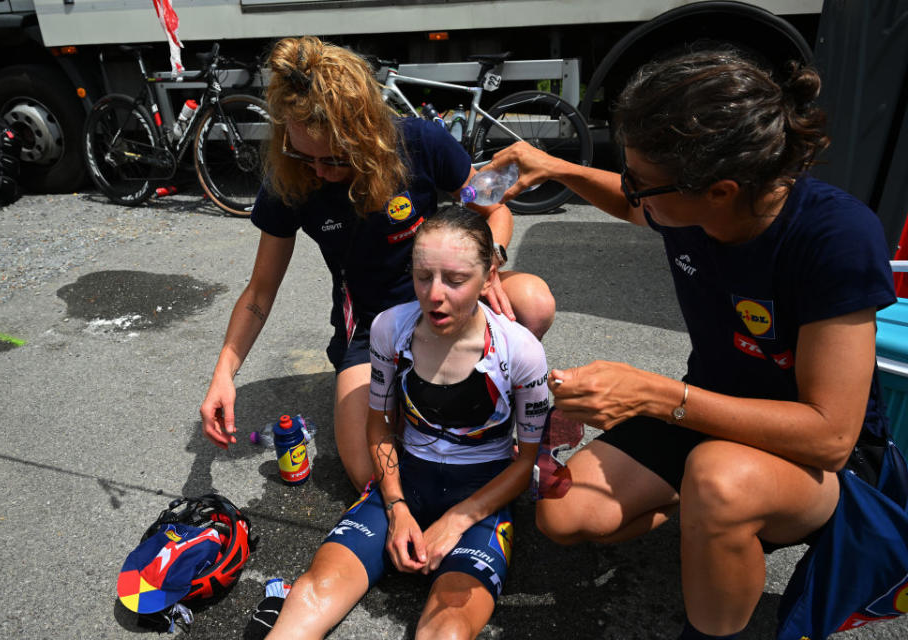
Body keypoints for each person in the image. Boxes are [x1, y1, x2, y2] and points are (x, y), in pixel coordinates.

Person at [486, 49, 897, 640]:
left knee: (716, 478)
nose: (633, 193)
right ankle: (709, 521)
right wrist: (551, 167)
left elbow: (831, 436)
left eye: (642, 182)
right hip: (705, 412)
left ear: (721, 190)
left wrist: (657, 396)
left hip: (819, 464)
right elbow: (630, 203)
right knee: (565, 514)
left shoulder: (834, 235)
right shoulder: (687, 208)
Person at [199, 37, 555, 490]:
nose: (318, 172)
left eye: (331, 158)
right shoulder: (289, 181)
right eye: (300, 155)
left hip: (445, 302)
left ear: (364, 134)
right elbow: (259, 293)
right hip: (370, 326)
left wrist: (493, 266)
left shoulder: (421, 143)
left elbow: (496, 208)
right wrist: (223, 373)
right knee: (368, 477)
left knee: (534, 302)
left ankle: (500, 396)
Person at [245, 205, 550, 640]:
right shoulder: (391, 327)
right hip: (406, 480)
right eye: (422, 276)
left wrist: (459, 519)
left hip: (482, 493)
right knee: (312, 594)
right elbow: (380, 427)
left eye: (456, 280)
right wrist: (396, 505)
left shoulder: (519, 351)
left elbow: (526, 464)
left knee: (445, 631)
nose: (434, 295)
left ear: (488, 278)